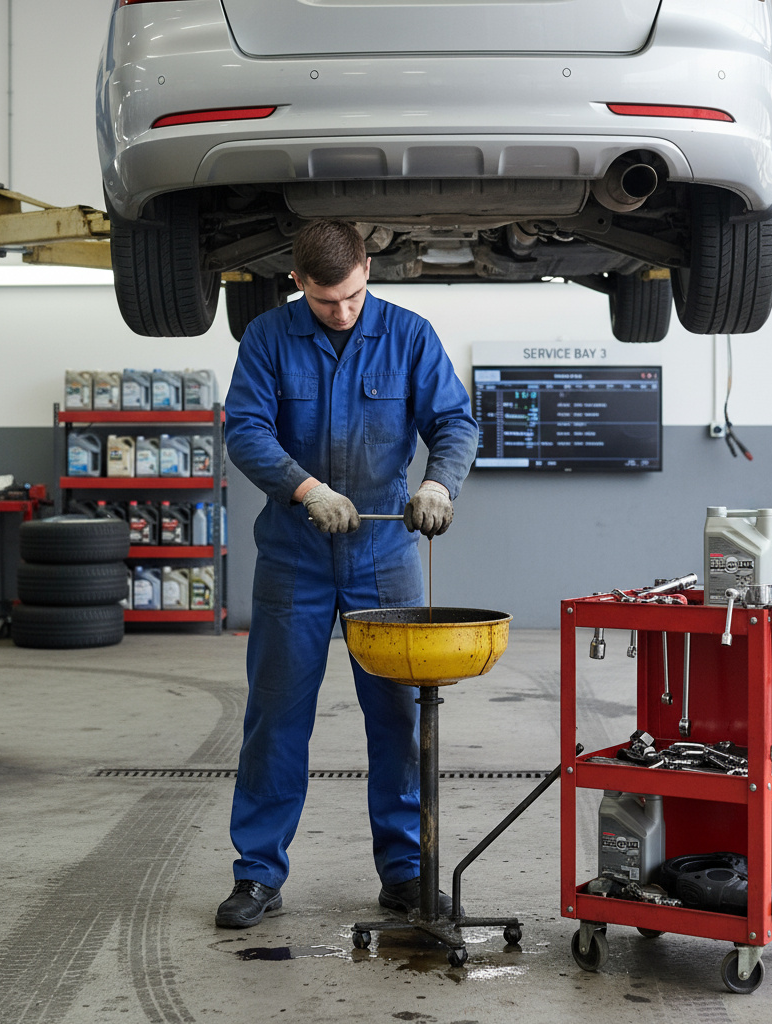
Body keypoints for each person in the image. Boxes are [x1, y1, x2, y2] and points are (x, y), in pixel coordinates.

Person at [216, 219, 479, 928]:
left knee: (398, 719)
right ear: (298, 281)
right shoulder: (268, 339)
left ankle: (404, 871)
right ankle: (258, 874)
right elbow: (245, 430)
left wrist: (437, 486)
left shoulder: (409, 335)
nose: (343, 312)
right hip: (294, 557)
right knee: (276, 718)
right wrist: (307, 491)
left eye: (355, 295)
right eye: (328, 301)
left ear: (368, 267)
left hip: (385, 562)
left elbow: (454, 423)